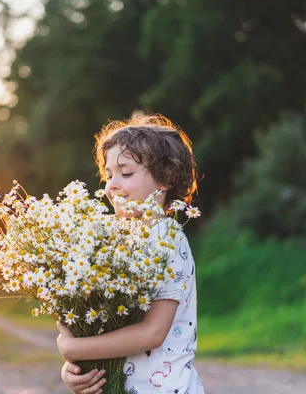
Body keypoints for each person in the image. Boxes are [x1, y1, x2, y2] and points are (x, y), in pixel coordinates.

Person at [56, 113, 205, 393]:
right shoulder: (113, 244)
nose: (112, 184)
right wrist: (76, 368)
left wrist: (74, 347)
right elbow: (101, 327)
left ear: (166, 178)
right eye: (109, 174)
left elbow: (152, 333)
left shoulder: (166, 238)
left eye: (126, 173)